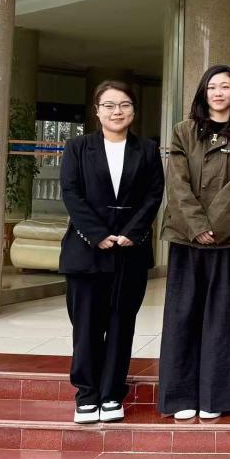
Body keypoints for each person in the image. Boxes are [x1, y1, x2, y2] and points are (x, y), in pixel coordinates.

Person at [158, 65, 230, 420]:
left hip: (228, 240)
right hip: (186, 238)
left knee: (223, 319)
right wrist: (197, 226)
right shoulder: (183, 131)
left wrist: (213, 228)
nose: (218, 93)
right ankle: (180, 397)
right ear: (204, 93)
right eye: (212, 87)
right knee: (182, 316)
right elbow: (177, 184)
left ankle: (215, 398)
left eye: (225, 86)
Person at [59, 80, 164, 424]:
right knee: (86, 327)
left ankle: (112, 394)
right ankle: (87, 394)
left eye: (124, 105)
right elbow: (71, 193)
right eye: (109, 105)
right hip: (87, 251)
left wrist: (132, 232)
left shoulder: (147, 150)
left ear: (133, 110)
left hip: (129, 252)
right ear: (97, 111)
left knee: (121, 325)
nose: (116, 112)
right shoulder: (77, 147)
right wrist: (98, 234)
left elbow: (153, 195)